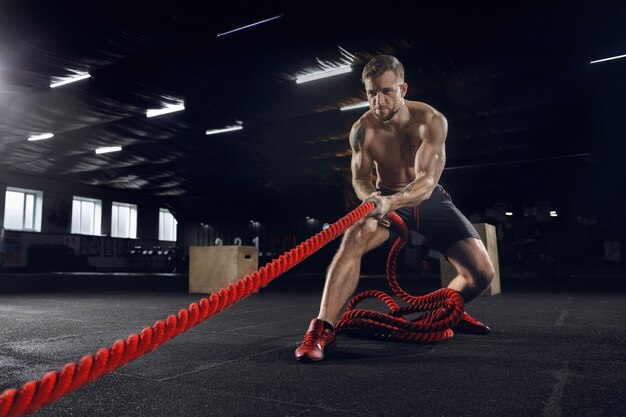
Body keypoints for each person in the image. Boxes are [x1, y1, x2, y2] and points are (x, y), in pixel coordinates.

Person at [295, 55, 496, 362]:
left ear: (403, 88)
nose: (378, 101)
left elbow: (427, 182)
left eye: (386, 91)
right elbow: (360, 179)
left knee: (481, 274)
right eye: (372, 93)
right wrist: (371, 199)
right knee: (352, 239)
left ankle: (450, 312)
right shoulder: (361, 130)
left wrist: (390, 201)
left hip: (429, 200)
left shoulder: (431, 120)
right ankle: (322, 329)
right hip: (384, 200)